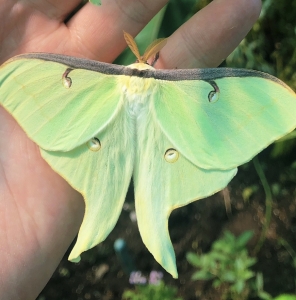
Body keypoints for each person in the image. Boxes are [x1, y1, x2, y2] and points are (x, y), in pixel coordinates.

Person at [0, 0, 261, 299]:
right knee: (105, 212)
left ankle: (148, 244)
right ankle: (101, 238)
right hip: (134, 144)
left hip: (118, 140)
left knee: (150, 217)